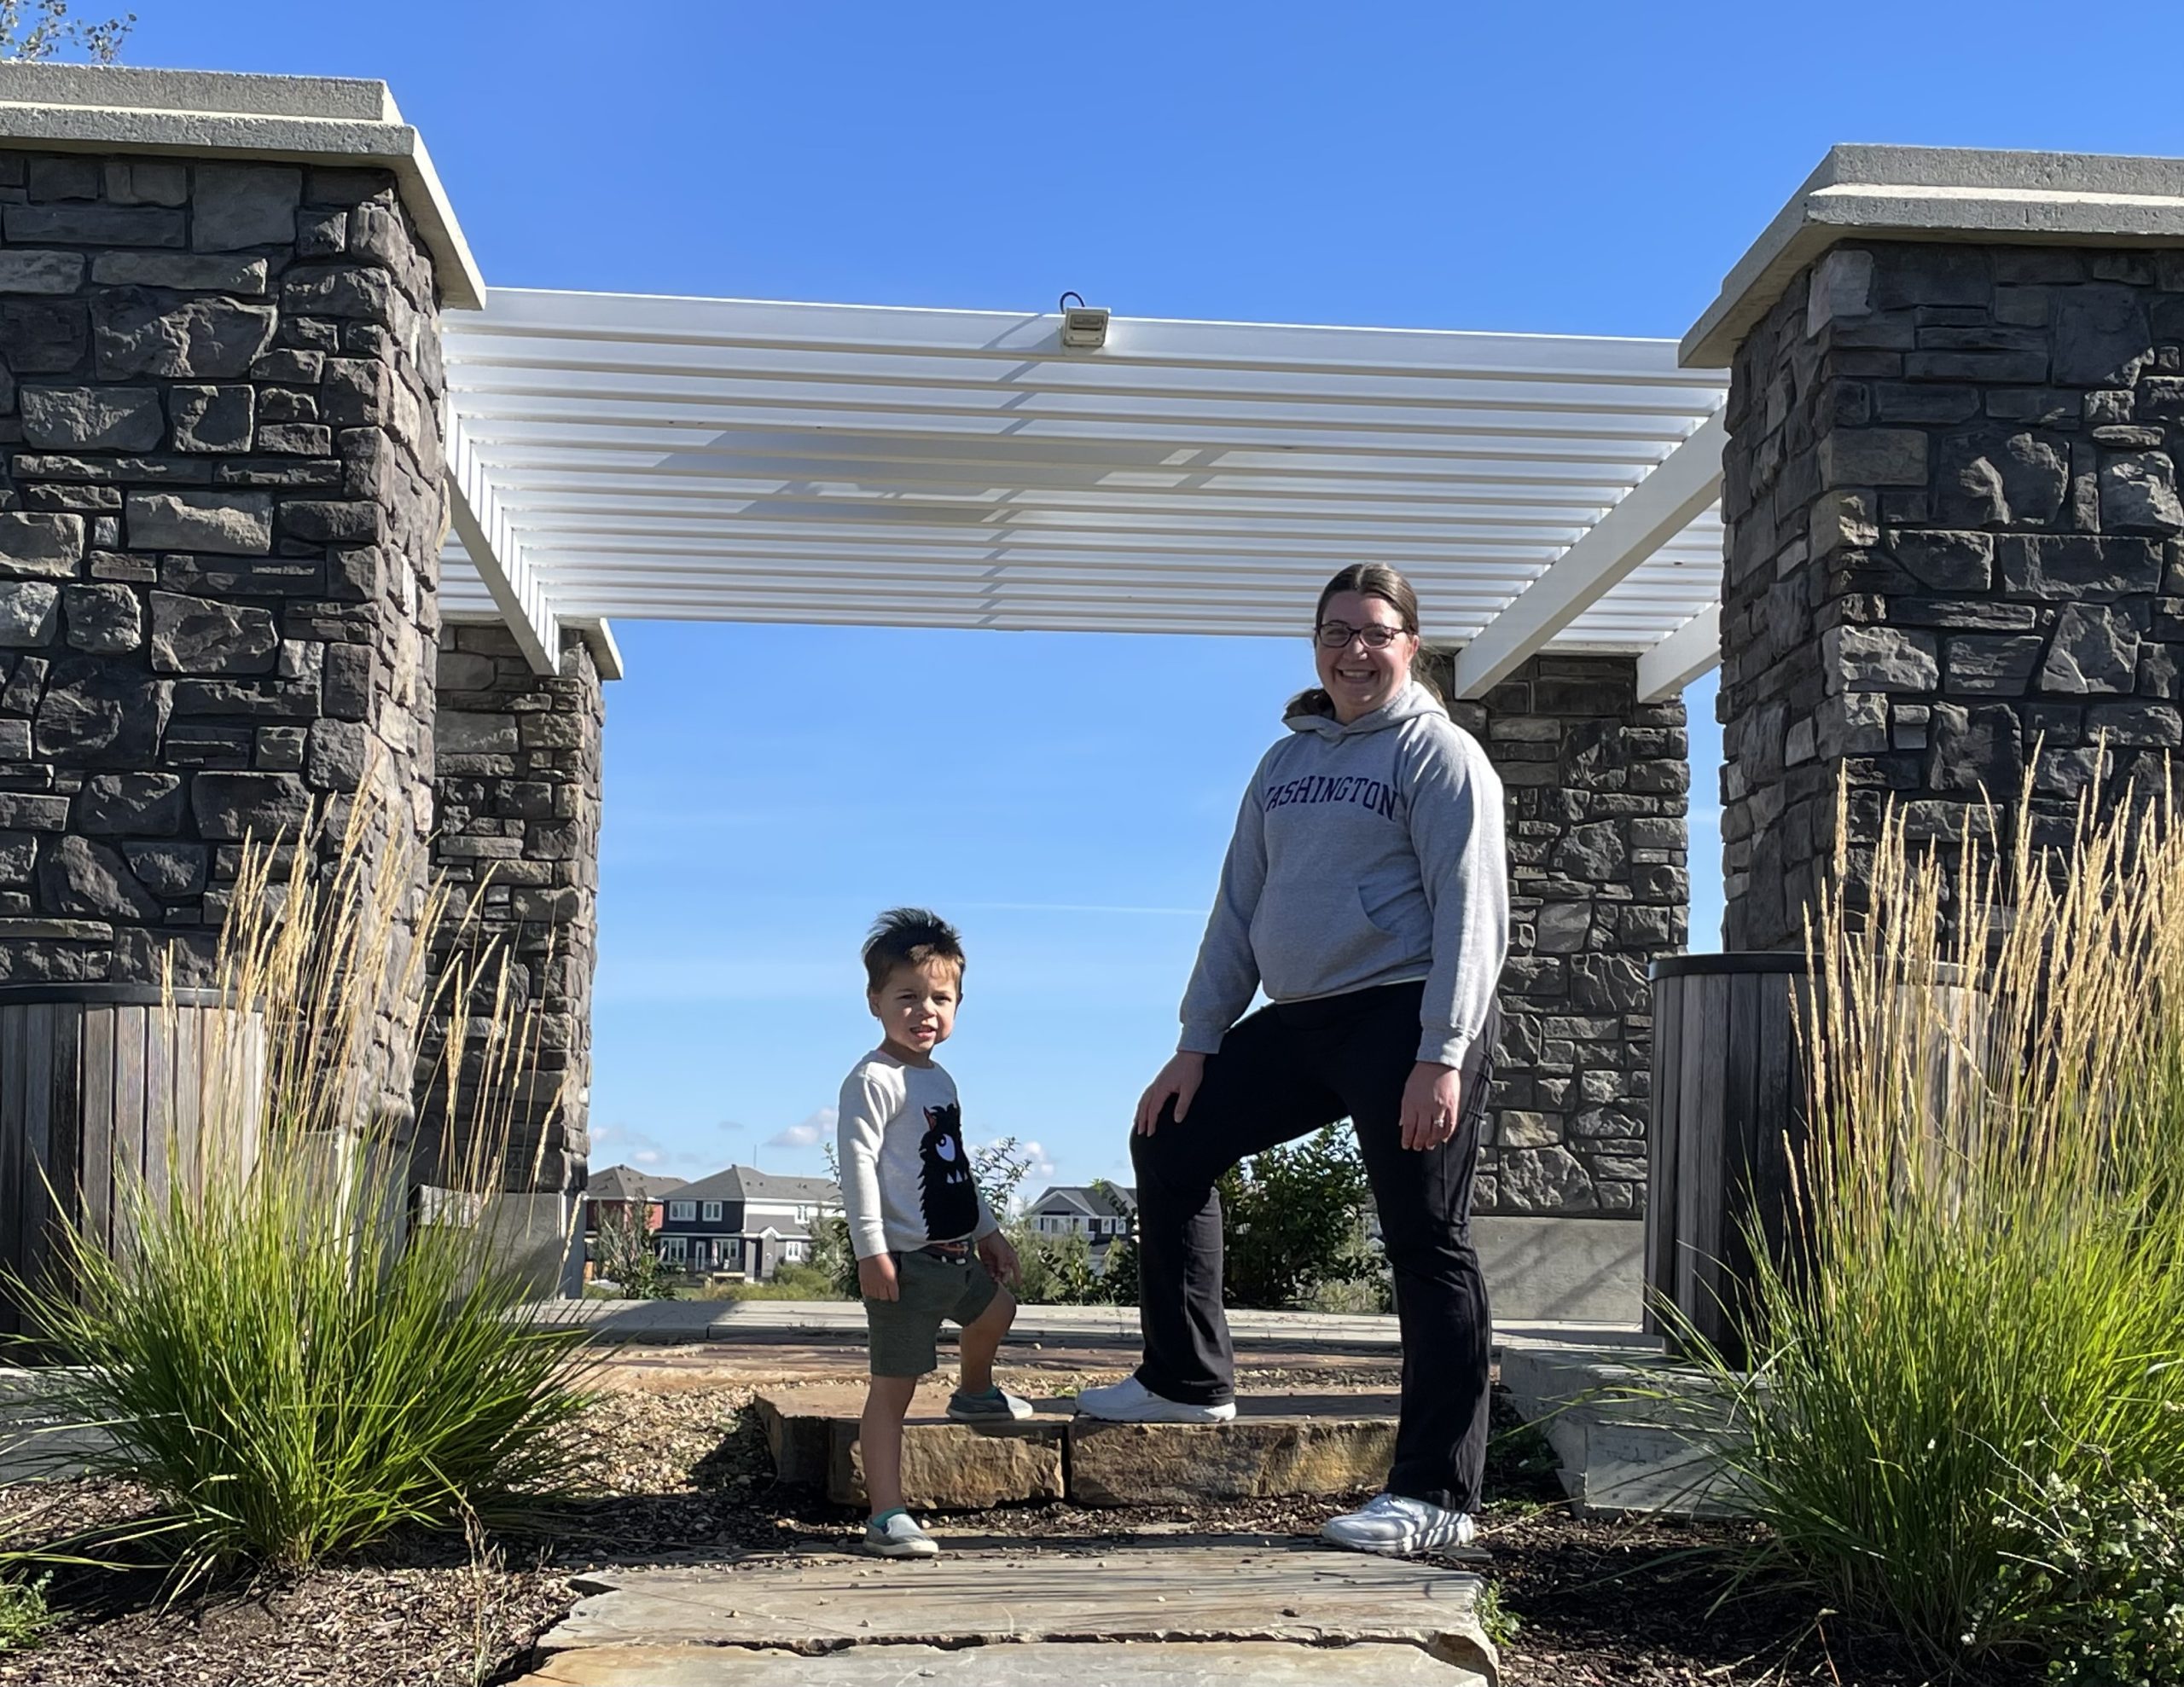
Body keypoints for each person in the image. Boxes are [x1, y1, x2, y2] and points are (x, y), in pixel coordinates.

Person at [1074, 563, 1509, 1559]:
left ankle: (1439, 1494)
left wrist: (1441, 1056)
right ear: (1315, 647)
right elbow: (1237, 908)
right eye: (1334, 633)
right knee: (1170, 1141)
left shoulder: (1441, 757)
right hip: (1301, 1014)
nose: (1353, 651)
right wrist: (1197, 1042)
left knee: (1424, 1242)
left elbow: (1472, 916)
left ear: (1411, 643)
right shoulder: (1282, 763)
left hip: (1406, 1015)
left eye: (1374, 632)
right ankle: (1186, 1380)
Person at [837, 907, 1027, 1559]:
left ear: (958, 1004)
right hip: (904, 1263)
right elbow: (858, 1167)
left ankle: (975, 1393)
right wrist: (871, 1253)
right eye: (908, 997)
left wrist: (989, 1230)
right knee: (894, 1388)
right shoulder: (873, 1080)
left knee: (997, 1308)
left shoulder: (939, 1080)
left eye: (940, 999)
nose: (925, 1012)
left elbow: (955, 1168)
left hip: (954, 1257)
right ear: (875, 1001)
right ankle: (887, 1514)